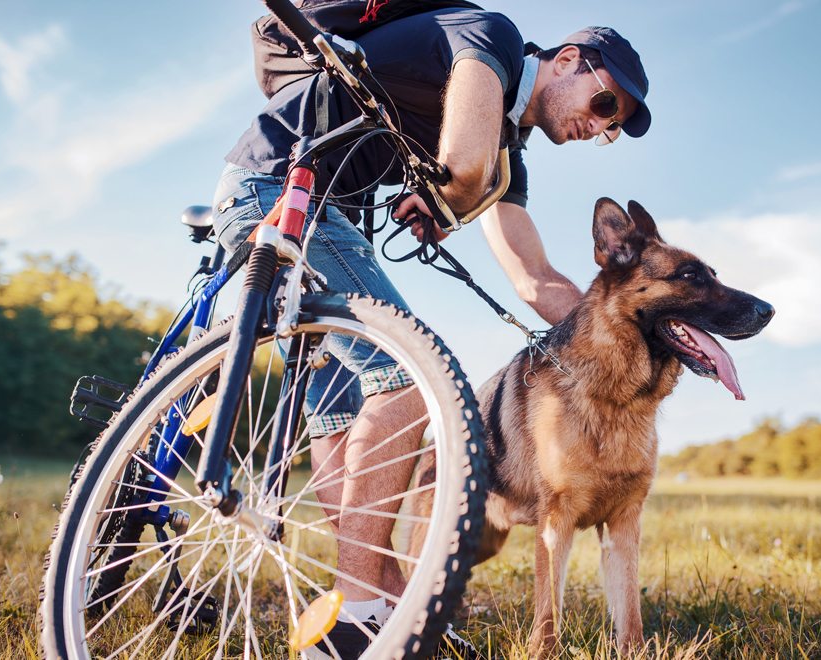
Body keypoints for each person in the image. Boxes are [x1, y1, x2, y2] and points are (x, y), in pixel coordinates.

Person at [210, 7, 650, 657]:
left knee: (341, 418)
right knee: (412, 380)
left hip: (322, 213)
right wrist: (453, 187)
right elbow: (462, 162)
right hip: (280, 189)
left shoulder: (507, 152)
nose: (599, 125)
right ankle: (353, 623)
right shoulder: (492, 39)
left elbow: (534, 280)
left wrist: (635, 333)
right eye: (604, 101)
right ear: (566, 62)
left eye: (610, 129)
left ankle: (385, 600)